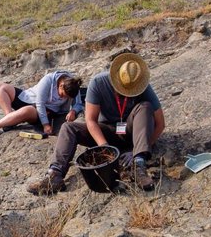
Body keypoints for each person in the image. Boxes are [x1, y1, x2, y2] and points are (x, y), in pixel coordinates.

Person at [27, 52, 165, 195]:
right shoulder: (98, 82)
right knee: (68, 128)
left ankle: (139, 166)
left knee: (145, 107)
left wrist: (136, 151)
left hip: (134, 132)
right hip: (107, 132)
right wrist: (106, 148)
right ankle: (54, 175)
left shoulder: (142, 86)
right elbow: (91, 120)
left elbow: (160, 124)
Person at [0, 71, 83, 139]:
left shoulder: (74, 86)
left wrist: (73, 111)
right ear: (61, 85)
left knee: (27, 110)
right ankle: (9, 120)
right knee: (0, 87)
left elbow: (78, 104)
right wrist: (46, 125)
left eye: (66, 98)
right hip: (30, 98)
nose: (63, 98)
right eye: (62, 95)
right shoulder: (49, 79)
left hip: (45, 111)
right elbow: (40, 101)